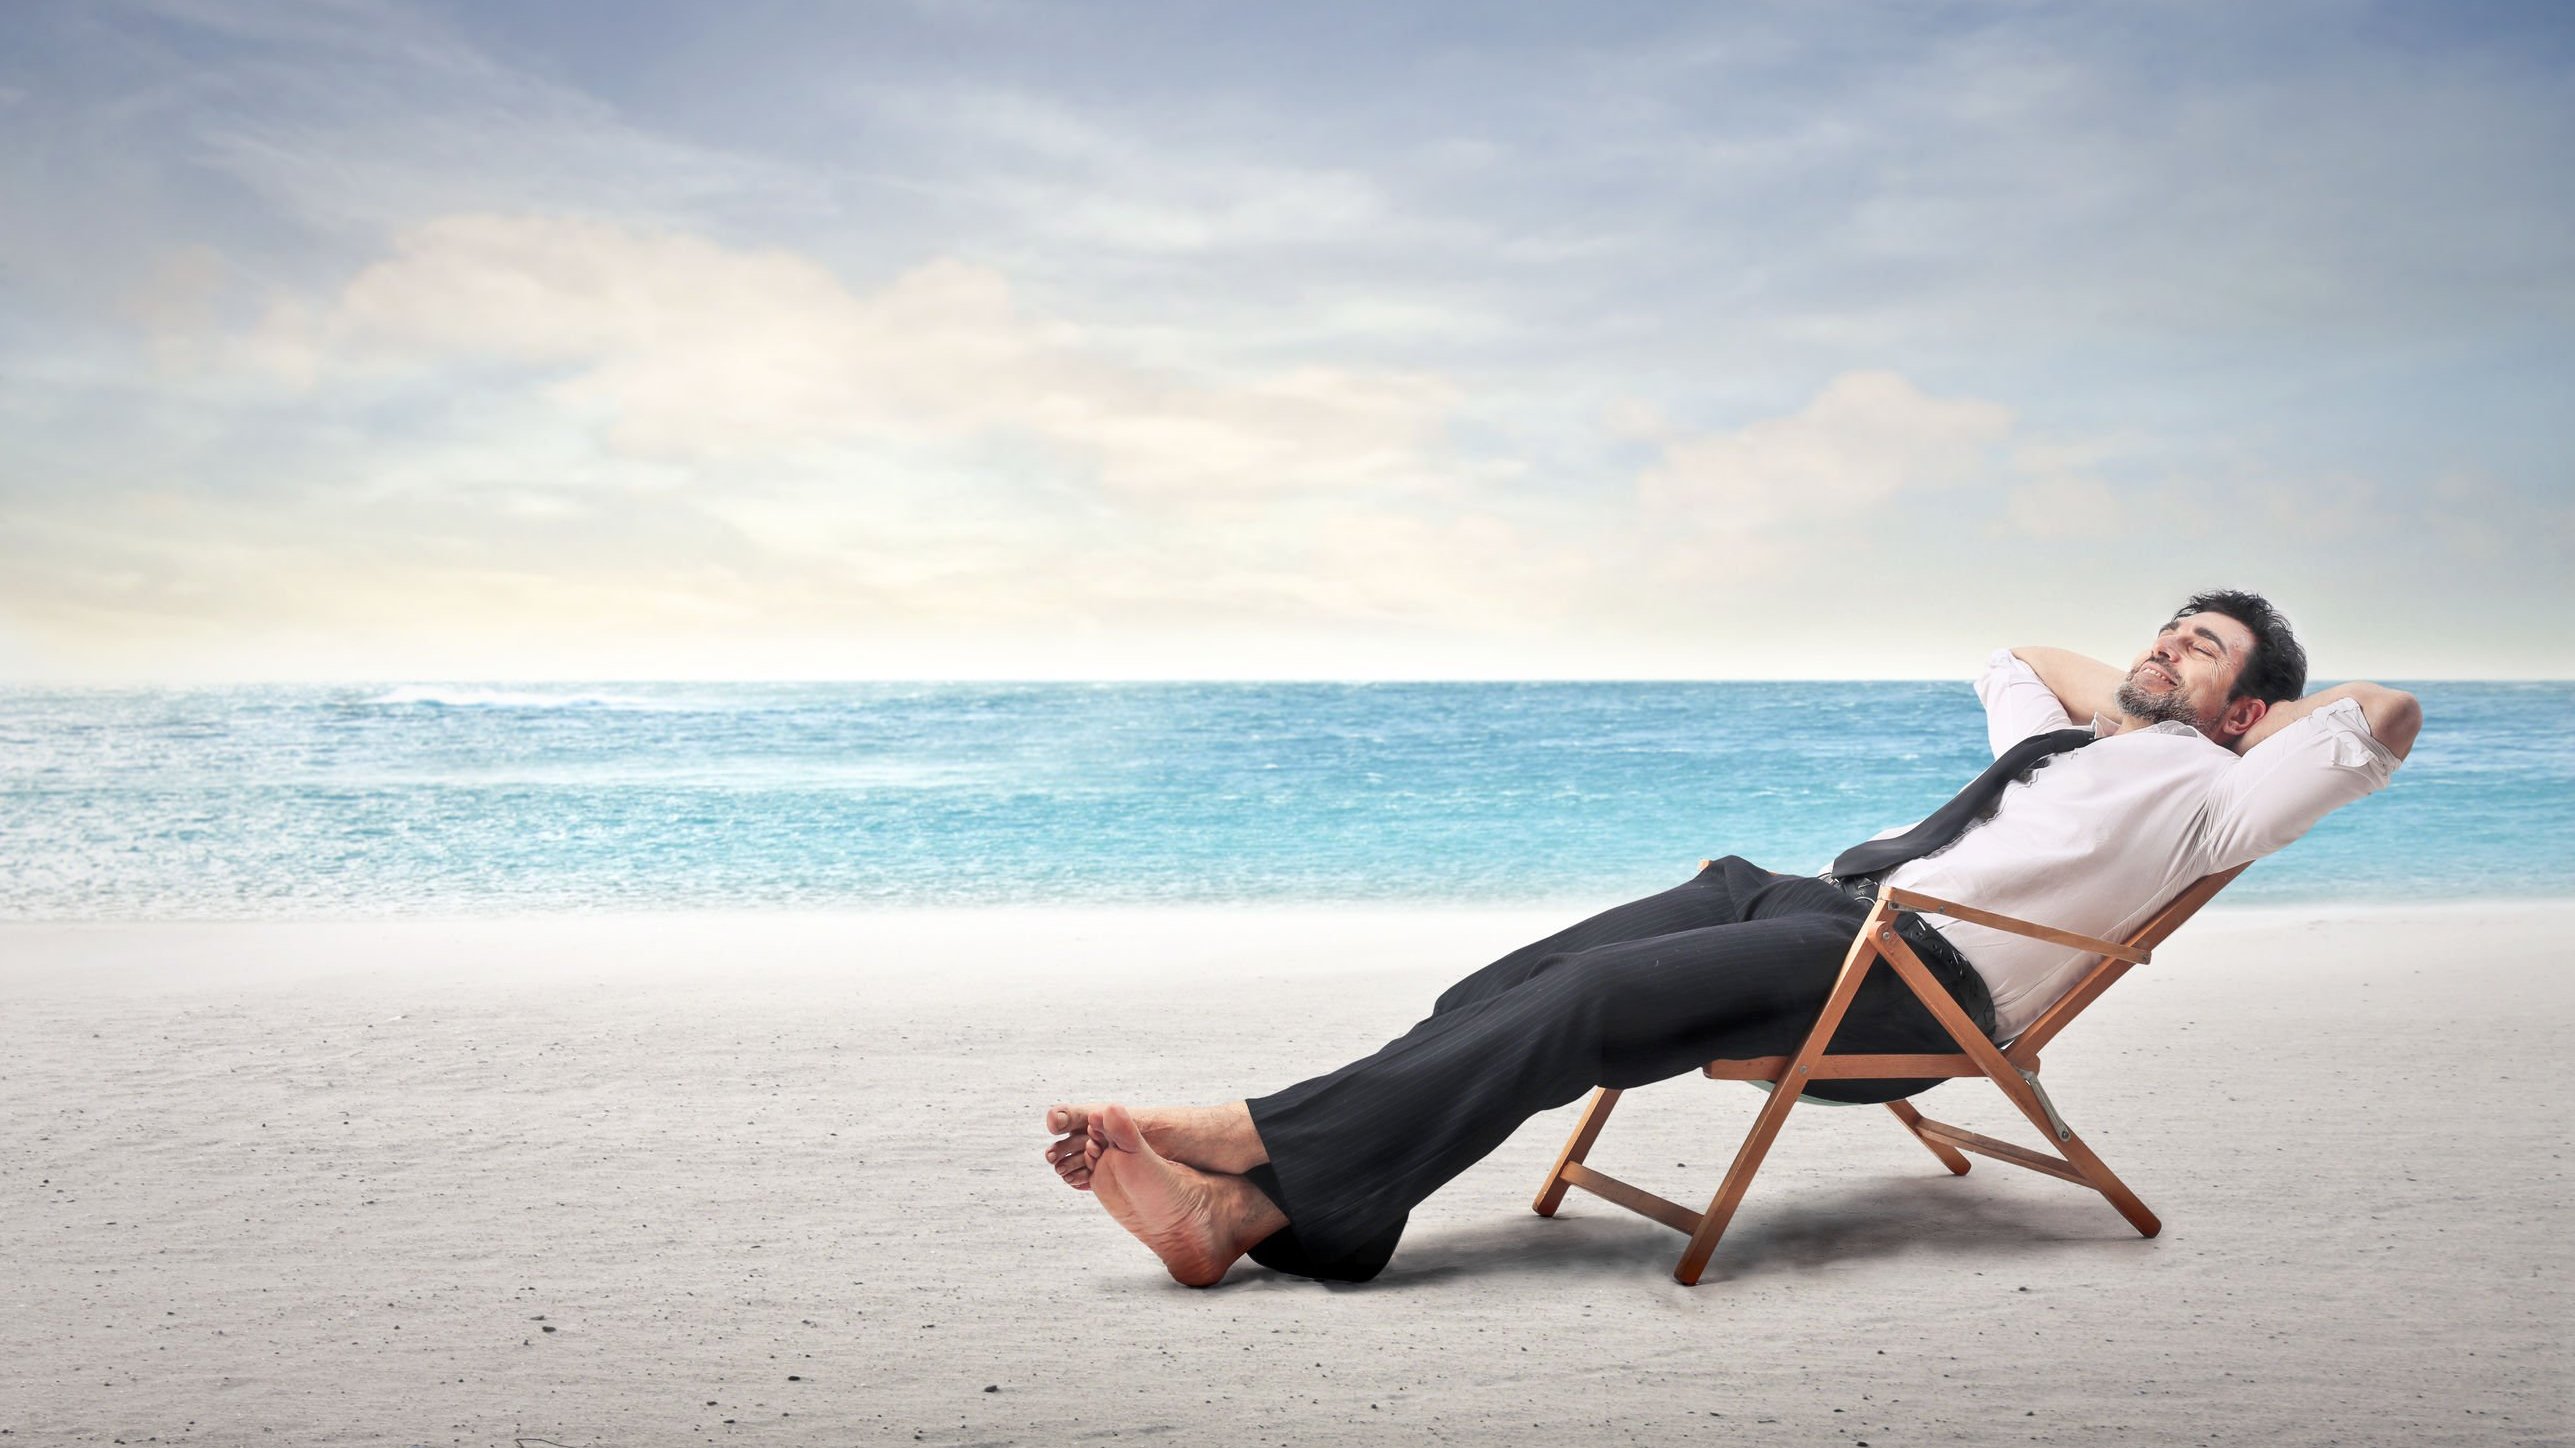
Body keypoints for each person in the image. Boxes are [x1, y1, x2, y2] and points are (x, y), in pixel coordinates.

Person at [1041, 590, 2421, 1286]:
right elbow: (2015, 659)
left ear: (2250, 717)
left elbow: (2386, 712)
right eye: (2166, 632)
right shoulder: (2080, 745)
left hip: (1916, 986)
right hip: (1817, 907)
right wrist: (2150, 689)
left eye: (2202, 651)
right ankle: (1279, 1209)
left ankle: (1246, 1139)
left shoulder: (2220, 796)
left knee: (1586, 1003)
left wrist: (2231, 719)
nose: (2166, 651)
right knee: (1506, 982)